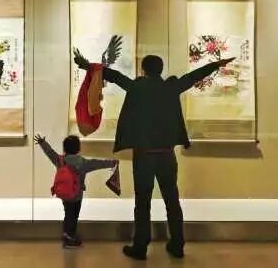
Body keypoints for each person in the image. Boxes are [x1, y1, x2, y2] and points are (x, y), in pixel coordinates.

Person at [74, 51, 234, 260]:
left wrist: (89, 66)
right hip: (167, 155)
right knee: (172, 201)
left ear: (143, 70)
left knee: (143, 203)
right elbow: (193, 76)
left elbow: (113, 75)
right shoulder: (171, 87)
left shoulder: (136, 87)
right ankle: (177, 244)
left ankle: (140, 247)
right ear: (161, 70)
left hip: (144, 157)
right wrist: (216, 64)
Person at [35, 134, 119, 249]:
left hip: (64, 194)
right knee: (73, 216)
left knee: (68, 213)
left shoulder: (60, 160)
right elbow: (97, 163)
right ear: (78, 149)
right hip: (77, 196)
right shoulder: (83, 163)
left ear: (64, 149)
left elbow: (50, 152)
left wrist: (42, 143)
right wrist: (112, 163)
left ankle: (67, 234)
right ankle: (70, 238)